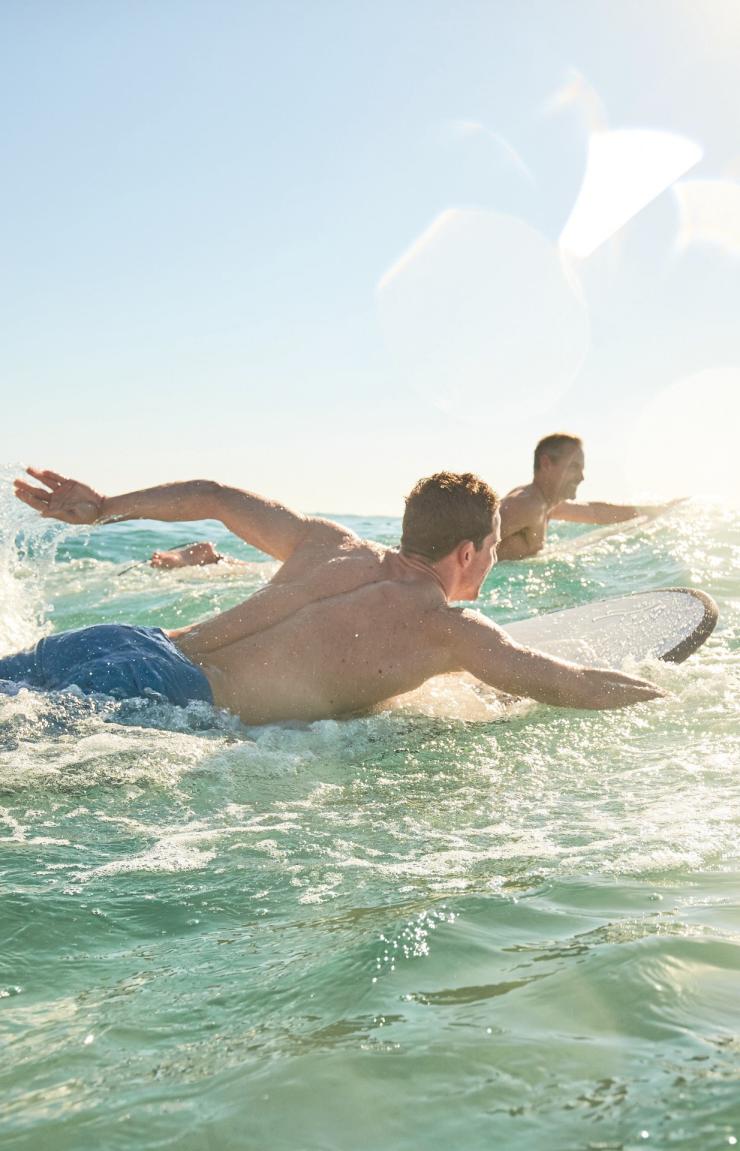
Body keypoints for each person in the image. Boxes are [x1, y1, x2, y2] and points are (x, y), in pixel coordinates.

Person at [7, 467, 664, 724]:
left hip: (124, 643)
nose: (491, 562)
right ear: (467, 552)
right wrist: (669, 695)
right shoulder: (453, 630)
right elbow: (566, 682)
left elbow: (216, 495)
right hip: (162, 700)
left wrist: (104, 509)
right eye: (493, 549)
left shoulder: (329, 542)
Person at [498, 433, 682, 560]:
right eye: (574, 467)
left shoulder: (545, 505)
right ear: (546, 464)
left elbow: (594, 512)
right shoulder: (527, 505)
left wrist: (652, 510)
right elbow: (471, 540)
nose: (581, 477)